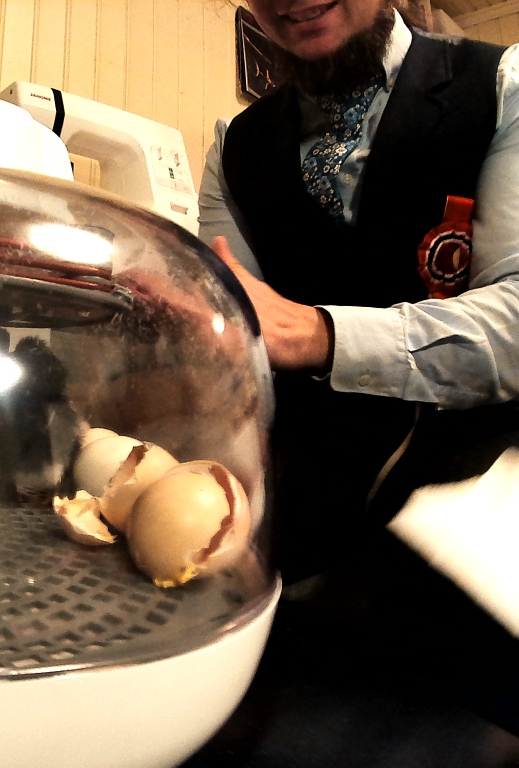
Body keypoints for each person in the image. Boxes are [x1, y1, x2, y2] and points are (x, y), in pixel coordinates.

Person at [198, 0, 519, 731]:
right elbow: (233, 348)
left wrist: (320, 334)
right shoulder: (235, 148)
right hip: (308, 534)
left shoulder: (502, 85)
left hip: (475, 530)